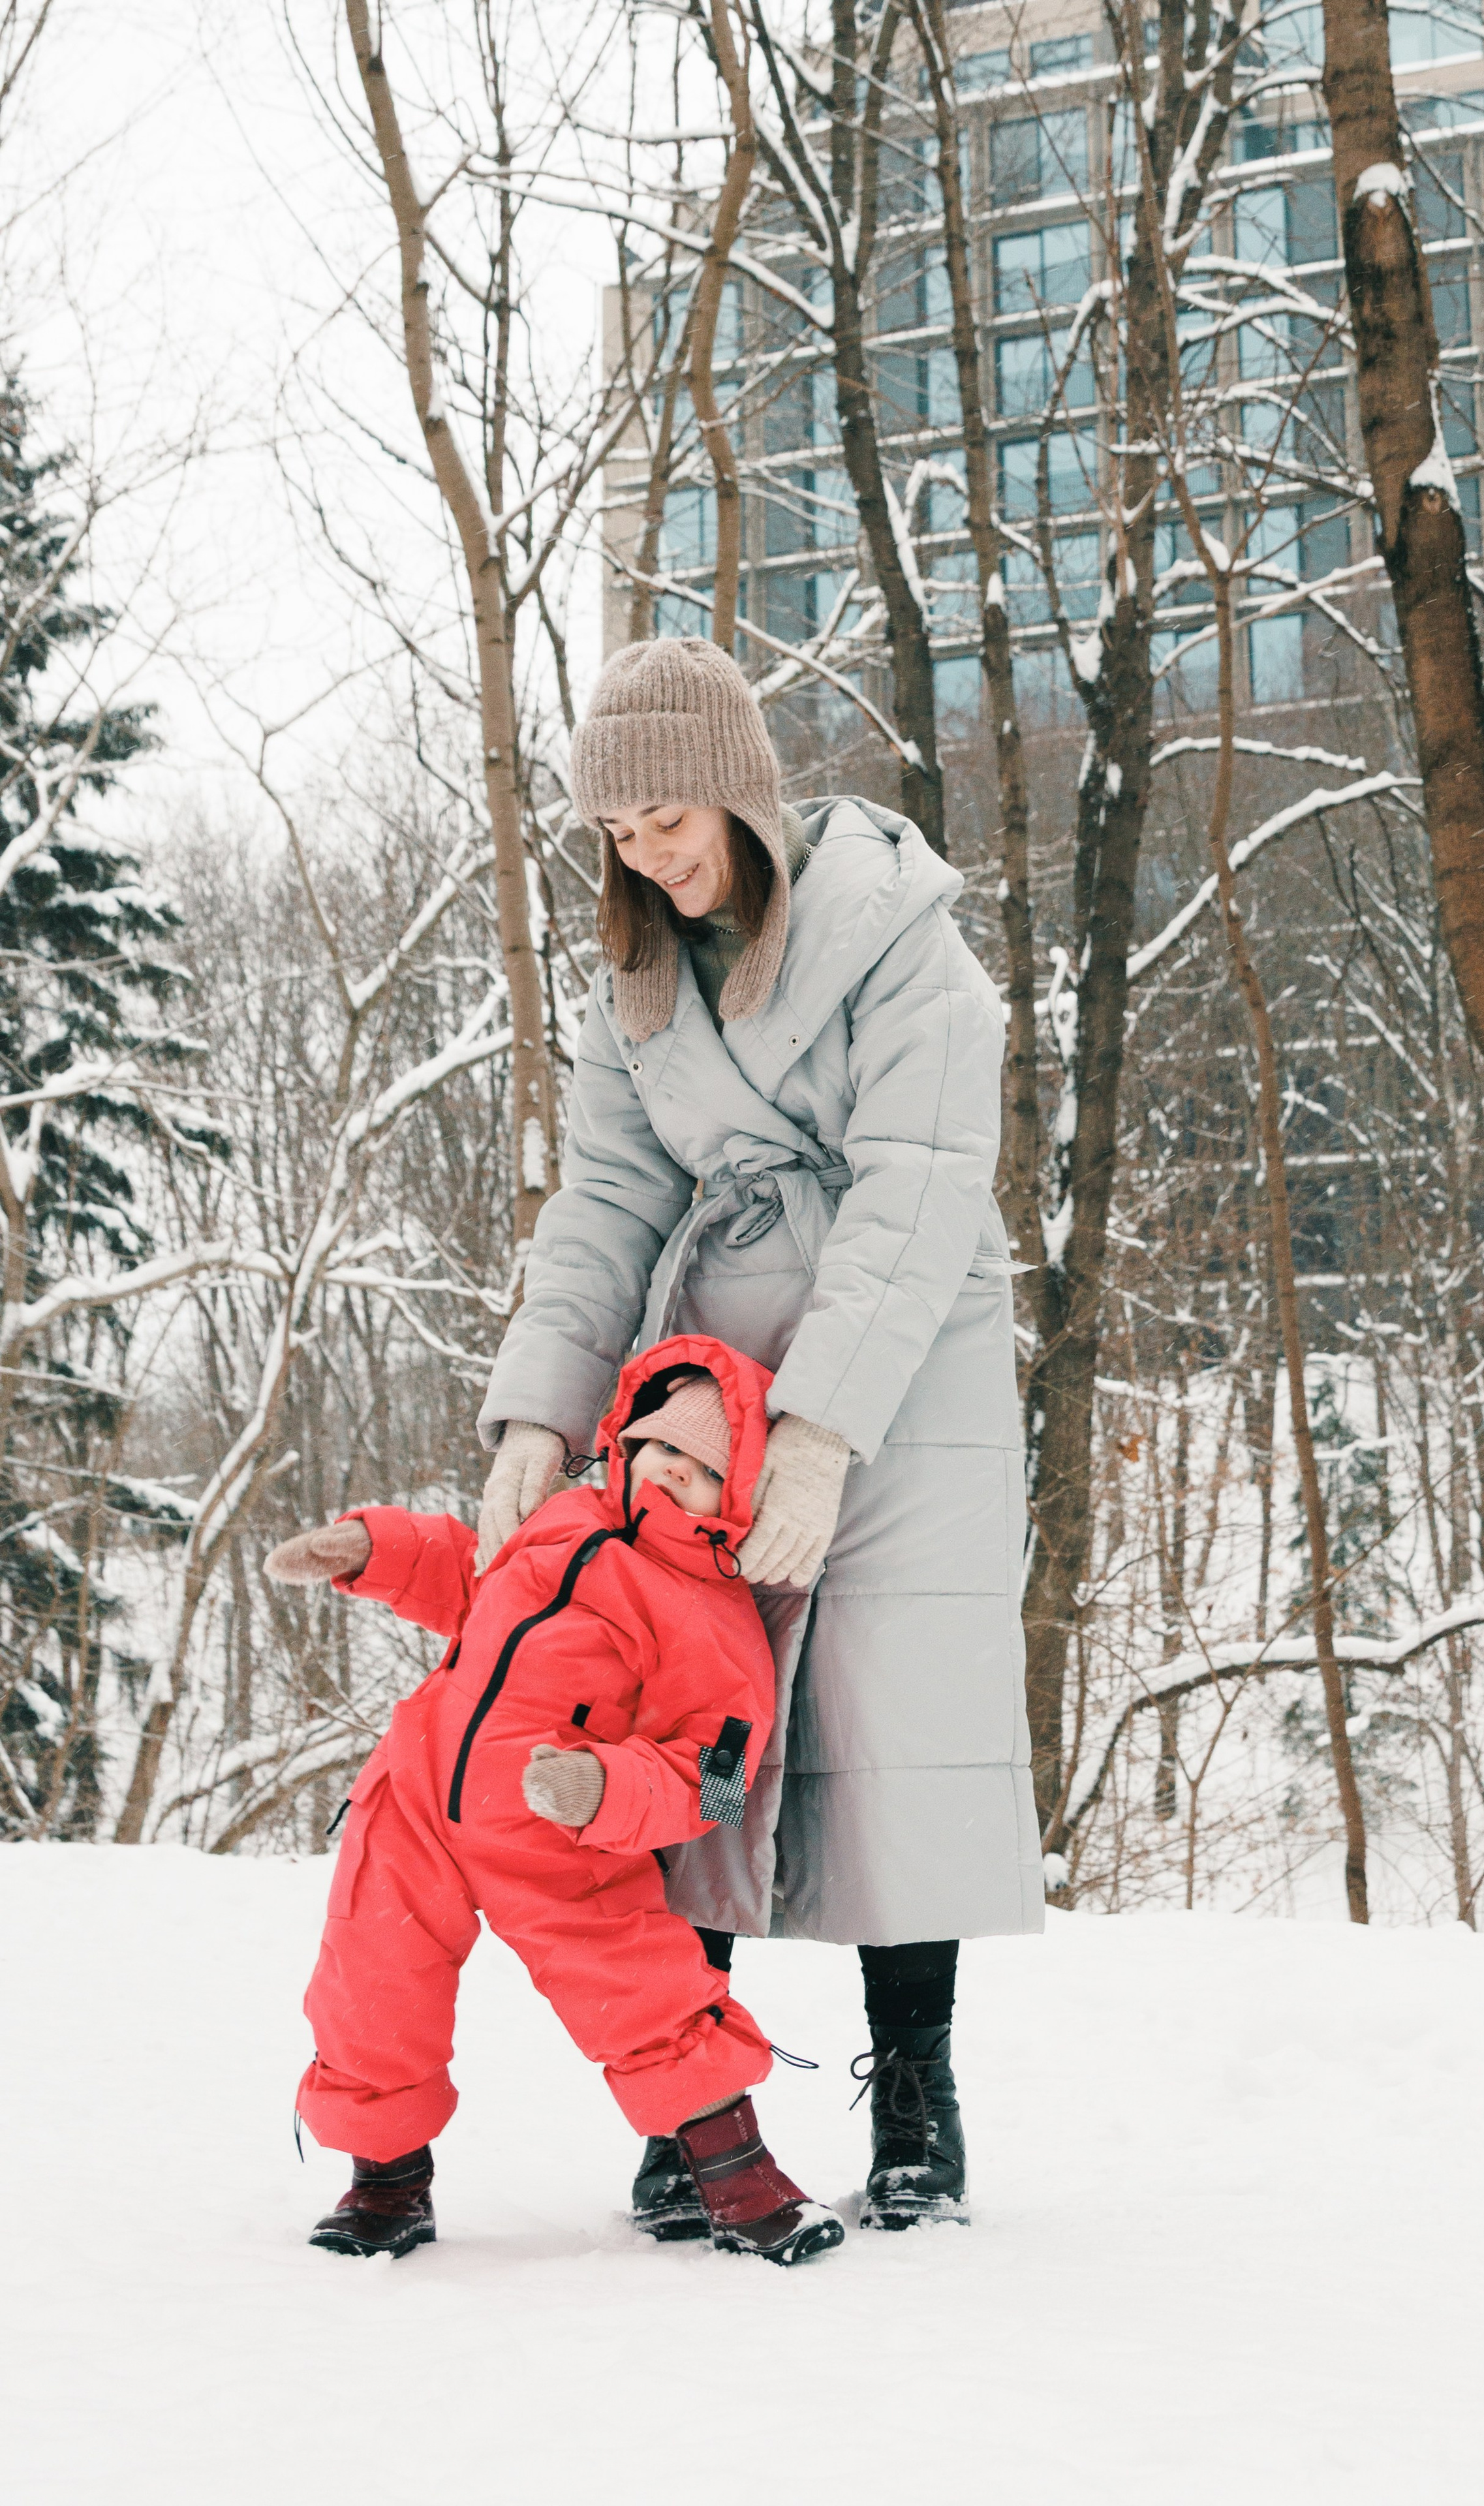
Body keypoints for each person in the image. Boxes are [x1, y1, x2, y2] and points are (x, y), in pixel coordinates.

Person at [476, 637, 1044, 2235]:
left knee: (886, 1715)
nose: (645, 853)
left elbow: (919, 1181)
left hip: (904, 1359)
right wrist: (538, 1406)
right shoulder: (633, 990)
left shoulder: (899, 941)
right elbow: (605, 1200)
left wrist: (821, 1432)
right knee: (683, 1709)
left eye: (667, 816)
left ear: (736, 787)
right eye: (616, 832)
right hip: (709, 1365)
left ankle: (915, 2100)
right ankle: (694, 2102)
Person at [268, 1335, 844, 2269]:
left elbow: (718, 1778)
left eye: (702, 1472)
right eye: (664, 1450)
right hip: (416, 1794)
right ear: (630, 1442)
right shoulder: (560, 1518)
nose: (670, 1478)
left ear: (739, 1499)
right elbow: (473, 1581)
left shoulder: (713, 1614)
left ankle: (740, 2177)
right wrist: (373, 1549)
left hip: (557, 1831)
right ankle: (385, 2184)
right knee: (370, 1986)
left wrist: (601, 1790)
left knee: (647, 1995)